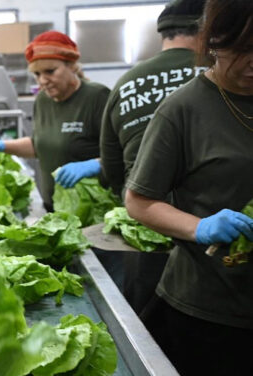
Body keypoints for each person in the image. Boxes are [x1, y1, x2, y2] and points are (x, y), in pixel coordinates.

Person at [125, 1, 253, 374]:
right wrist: (199, 227)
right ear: (213, 41)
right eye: (242, 50)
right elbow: (139, 200)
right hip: (210, 312)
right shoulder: (182, 109)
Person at [99, 0, 207, 315]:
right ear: (208, 30)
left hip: (144, 234)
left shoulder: (126, 83)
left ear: (162, 33)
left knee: (144, 334)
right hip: (210, 245)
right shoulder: (220, 78)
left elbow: (113, 168)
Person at [0, 31, 110, 212]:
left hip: (93, 210)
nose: (43, 80)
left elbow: (125, 153)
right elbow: (39, 146)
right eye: (37, 74)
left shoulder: (97, 97)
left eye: (50, 71)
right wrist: (1, 146)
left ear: (72, 65)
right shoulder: (43, 100)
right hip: (54, 208)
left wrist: (96, 164)